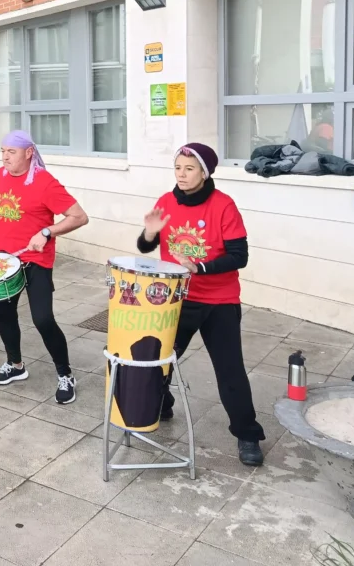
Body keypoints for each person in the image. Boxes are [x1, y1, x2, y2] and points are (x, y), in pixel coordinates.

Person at [137, 142, 266, 466]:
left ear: (205, 173)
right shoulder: (166, 202)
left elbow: (240, 256)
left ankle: (247, 434)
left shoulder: (223, 206)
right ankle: (162, 403)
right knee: (158, 357)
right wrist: (150, 234)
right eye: (178, 168)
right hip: (176, 297)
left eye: (189, 169)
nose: (181, 174)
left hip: (218, 300)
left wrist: (201, 267)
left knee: (230, 370)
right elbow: (144, 245)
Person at [0, 130, 89, 404]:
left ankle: (65, 375)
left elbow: (79, 216)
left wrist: (48, 232)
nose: (5, 156)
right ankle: (15, 366)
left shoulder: (44, 182)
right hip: (5, 259)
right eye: (3, 150)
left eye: (11, 152)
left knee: (42, 319)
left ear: (28, 153)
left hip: (36, 260)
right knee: (3, 313)